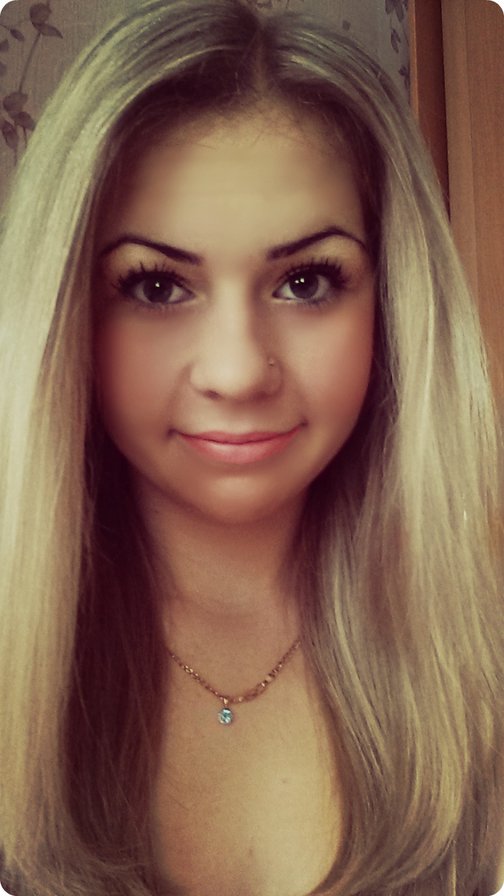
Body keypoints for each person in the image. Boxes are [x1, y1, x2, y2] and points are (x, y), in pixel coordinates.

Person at [0, 1, 502, 895]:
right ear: (64, 310)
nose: (236, 372)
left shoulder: (482, 645)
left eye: (306, 281)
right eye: (156, 286)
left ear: (393, 302)